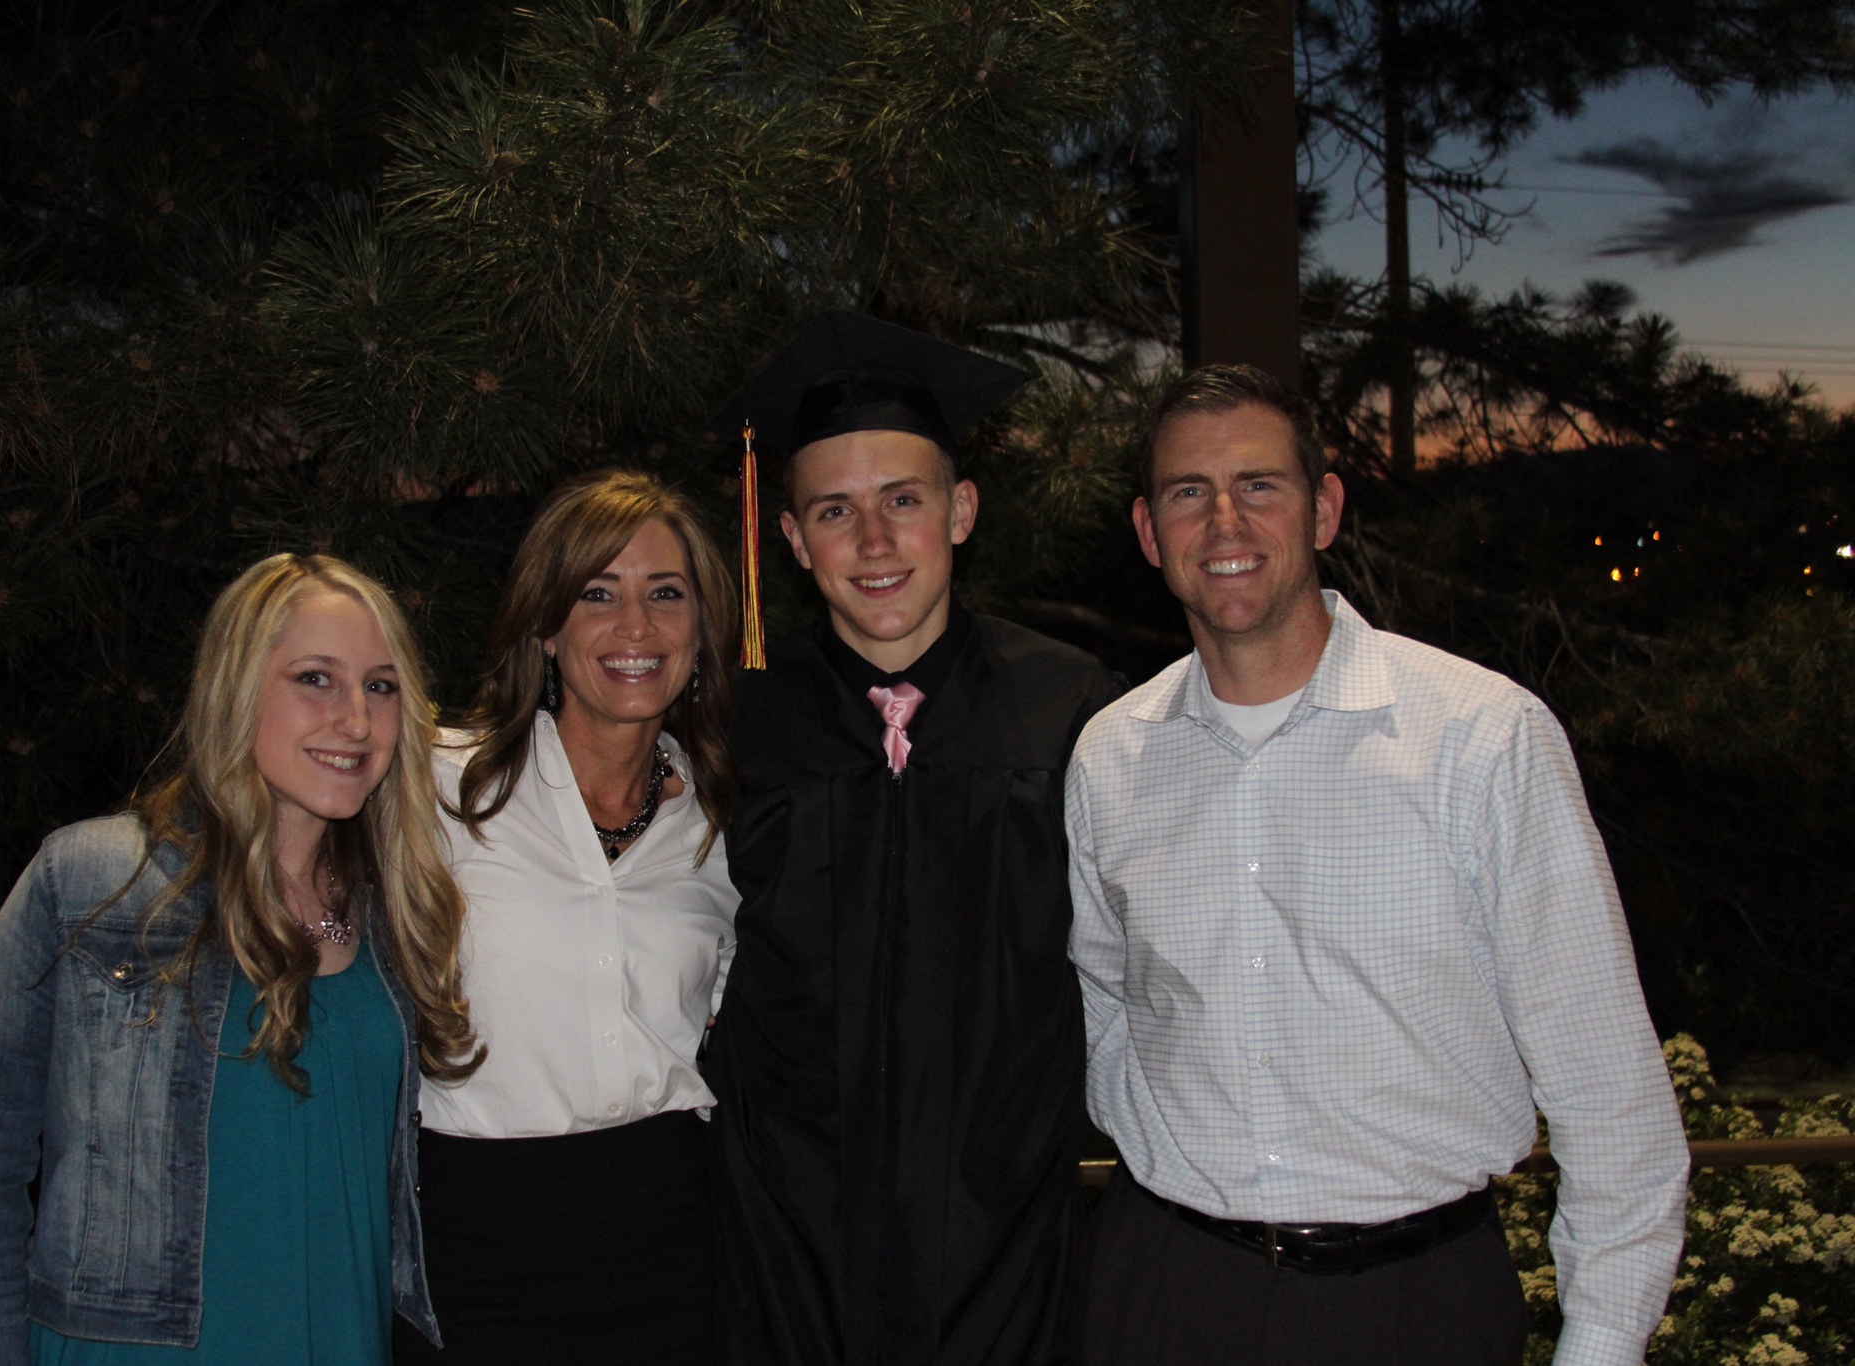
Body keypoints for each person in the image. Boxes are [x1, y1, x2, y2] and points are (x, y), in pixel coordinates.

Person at [1065, 364, 1690, 1366]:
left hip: (1414, 1306)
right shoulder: (1110, 755)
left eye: (1258, 485)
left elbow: (1606, 1087)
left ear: (1323, 508)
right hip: (1165, 1293)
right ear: (1148, 532)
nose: (1224, 522)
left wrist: (1602, 1343)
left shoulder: (1480, 739)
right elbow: (1107, 1005)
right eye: (1189, 493)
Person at [701, 312, 1125, 1366]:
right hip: (787, 1246)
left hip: (1010, 1250)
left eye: (904, 500)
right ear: (791, 540)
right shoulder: (730, 725)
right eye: (835, 512)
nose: (875, 542)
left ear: (962, 510)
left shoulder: (1078, 714)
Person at [0, 554, 483, 1366]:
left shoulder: (396, 915)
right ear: (236, 689)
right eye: (315, 679)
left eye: (380, 686)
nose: (357, 721)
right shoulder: (95, 884)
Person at [395, 470, 740, 1366]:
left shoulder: (727, 828)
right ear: (544, 626)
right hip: (478, 1238)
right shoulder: (438, 787)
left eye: (667, 594)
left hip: (673, 1238)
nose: (637, 628)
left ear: (702, 630)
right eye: (597, 594)